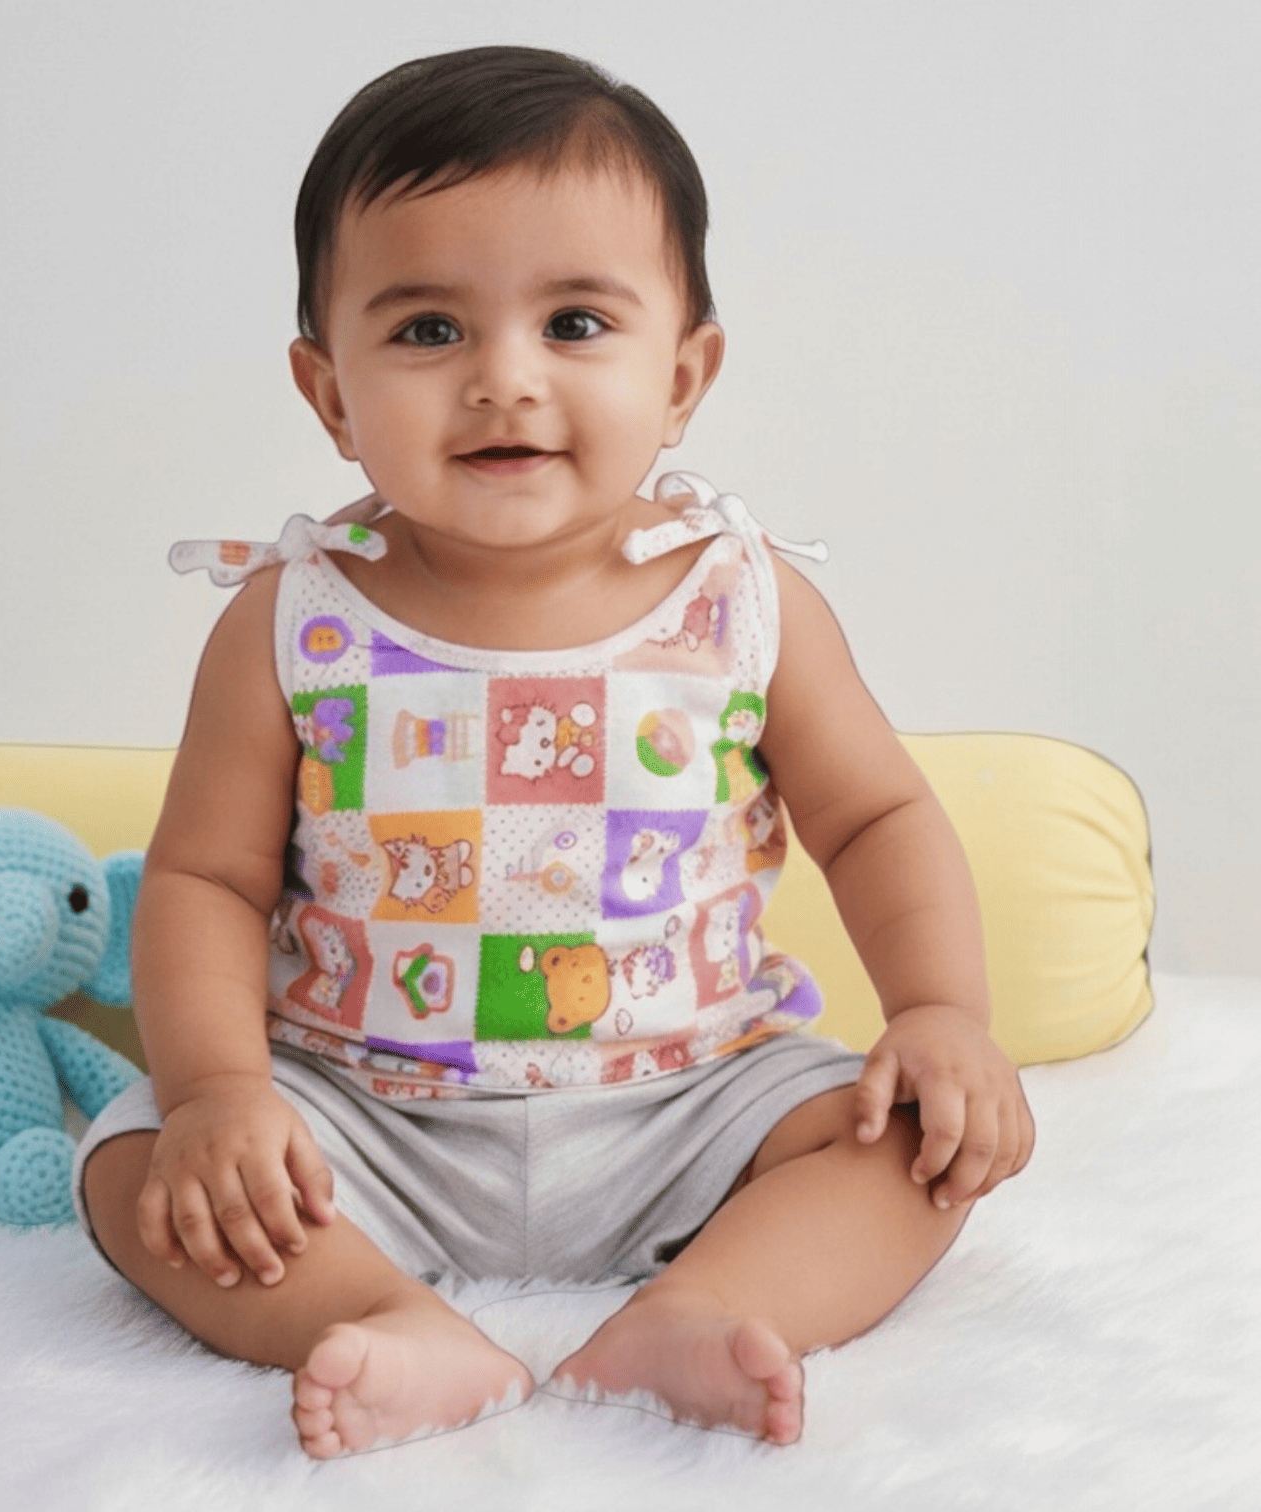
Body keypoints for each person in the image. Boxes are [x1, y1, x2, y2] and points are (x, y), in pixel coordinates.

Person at [74, 44, 1034, 1458]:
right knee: (134, 1165)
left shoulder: (742, 597)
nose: (504, 381)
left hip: (693, 1100)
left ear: (684, 375)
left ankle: (710, 1305)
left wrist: (942, 1011)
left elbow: (877, 816)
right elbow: (206, 879)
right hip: (371, 1114)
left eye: (575, 323)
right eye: (427, 331)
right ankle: (387, 1318)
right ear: (328, 392)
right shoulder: (292, 618)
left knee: (914, 1148)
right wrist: (221, 1093)